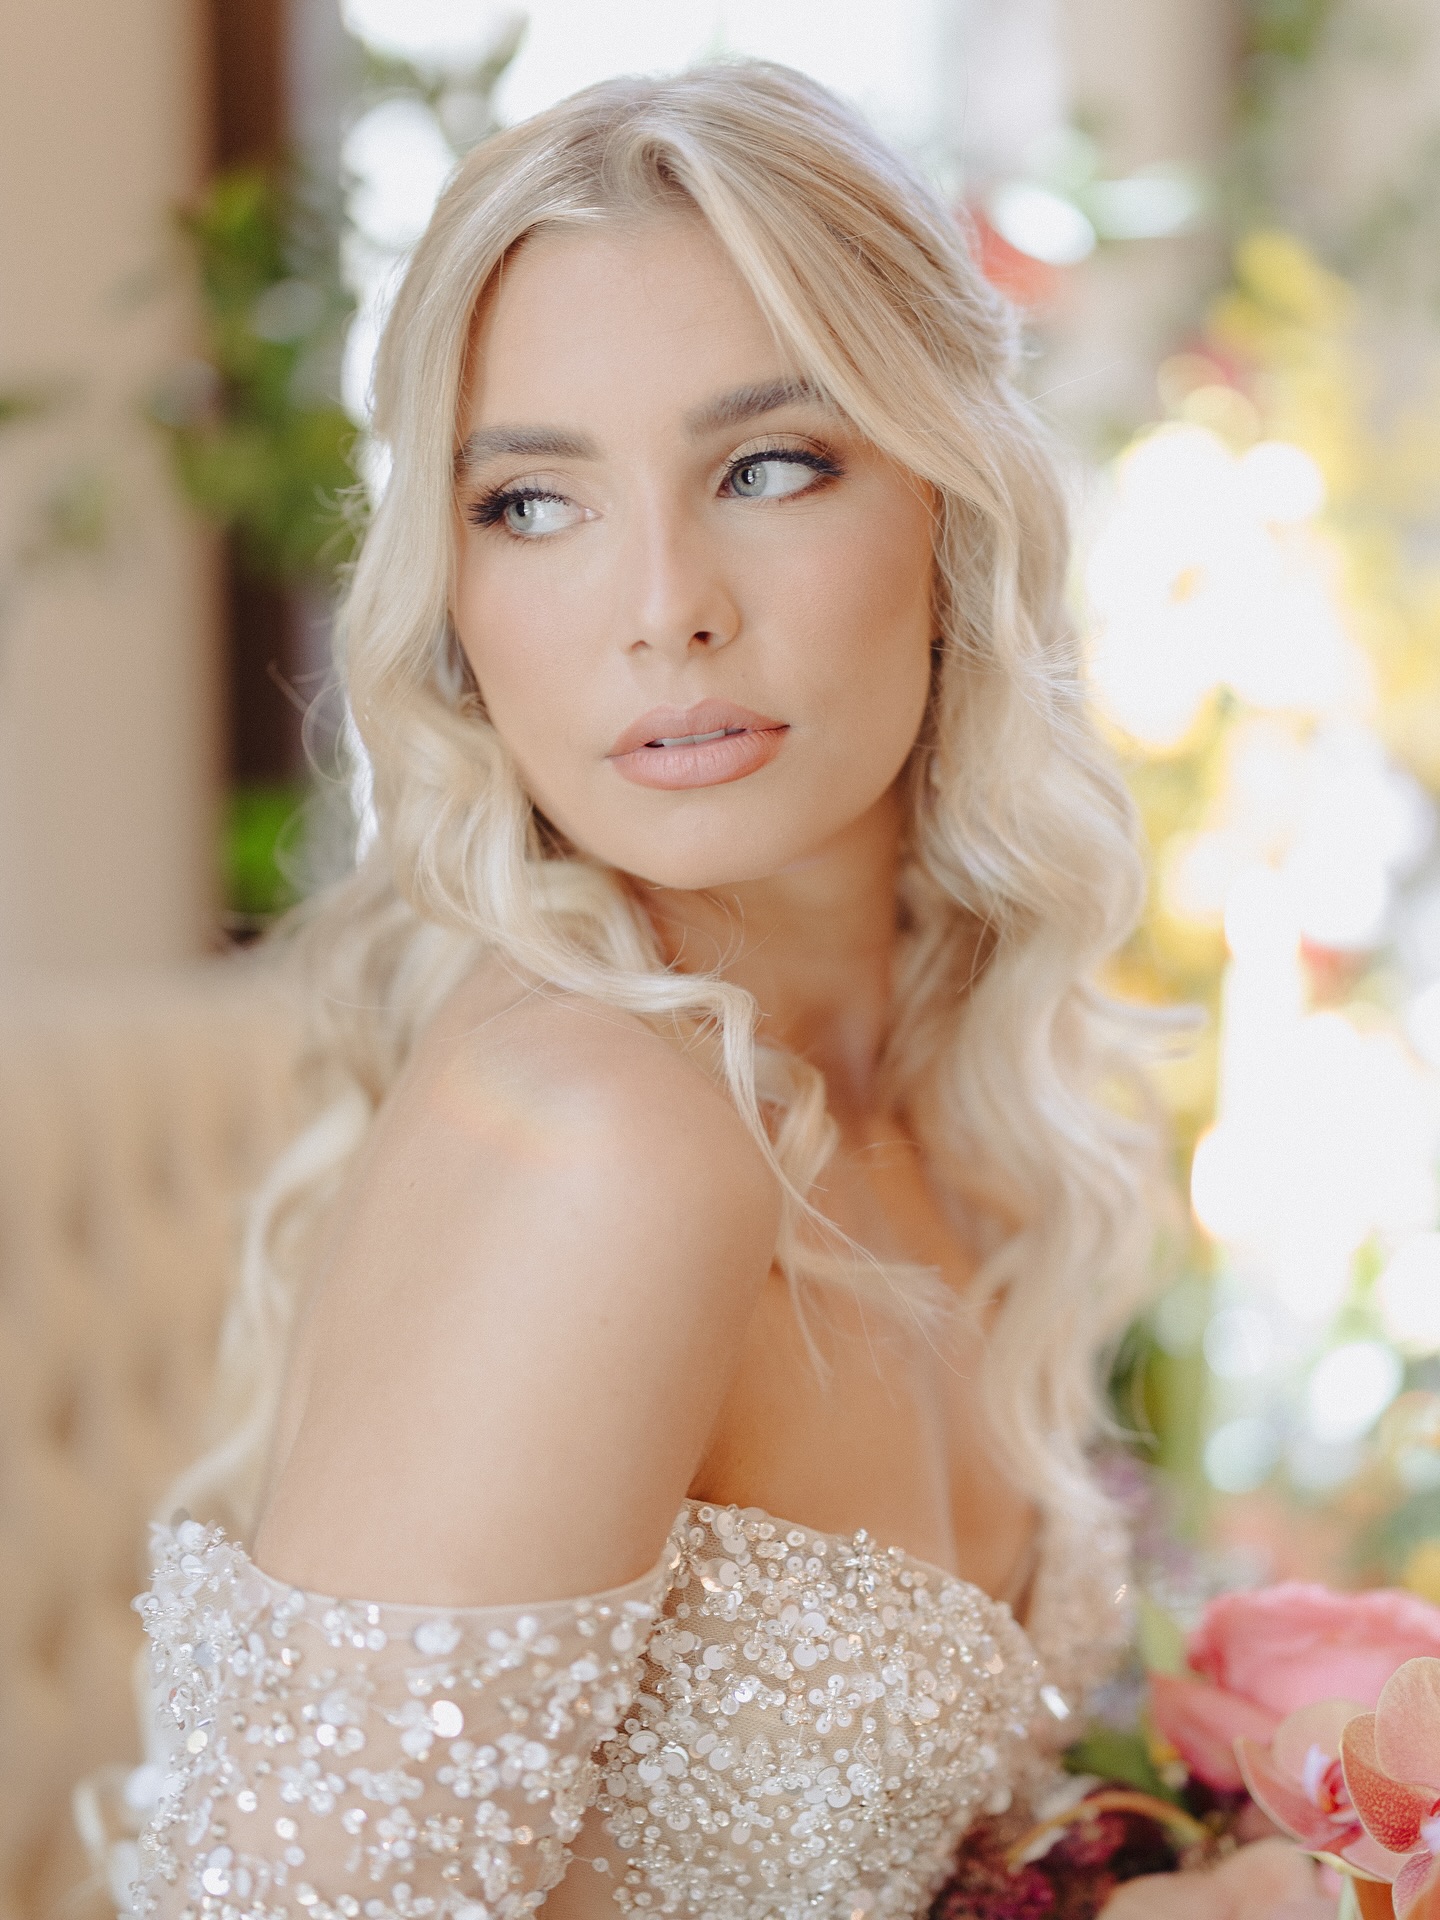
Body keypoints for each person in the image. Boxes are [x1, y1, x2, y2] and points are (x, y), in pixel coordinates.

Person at [126, 58, 1200, 1920]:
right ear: (447, 590)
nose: (664, 606)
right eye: (533, 502)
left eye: (769, 467)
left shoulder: (947, 1092)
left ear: (952, 509)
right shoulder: (600, 1138)